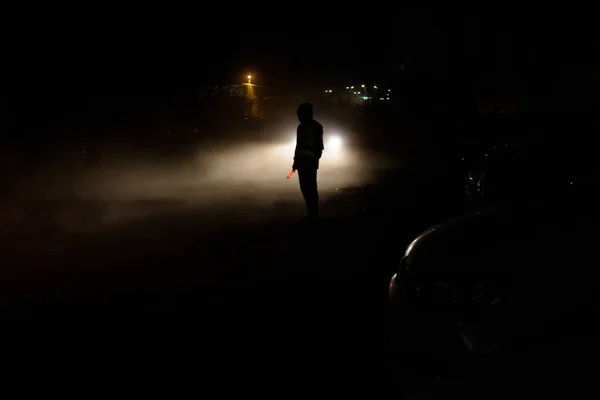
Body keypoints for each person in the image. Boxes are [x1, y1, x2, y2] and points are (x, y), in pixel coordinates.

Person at [292, 102, 324, 221]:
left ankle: (313, 215)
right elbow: (299, 146)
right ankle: (312, 213)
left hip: (308, 163)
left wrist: (308, 160)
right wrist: (296, 161)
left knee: (309, 188)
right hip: (304, 163)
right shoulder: (305, 127)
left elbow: (318, 148)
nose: (298, 116)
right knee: (306, 188)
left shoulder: (314, 127)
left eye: (300, 114)